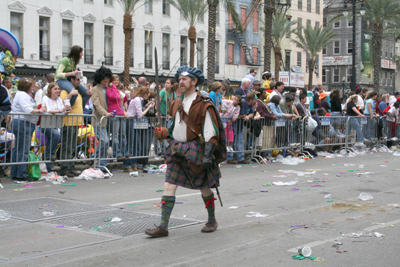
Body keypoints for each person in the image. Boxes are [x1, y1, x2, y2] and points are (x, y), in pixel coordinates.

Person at [145, 66, 227, 237]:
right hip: (177, 150)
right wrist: (165, 133)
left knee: (204, 188)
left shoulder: (204, 104)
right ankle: (163, 227)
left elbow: (210, 132)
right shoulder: (176, 103)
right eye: (179, 79)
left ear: (194, 82)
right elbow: (176, 128)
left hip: (196, 150)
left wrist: (207, 156)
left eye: (184, 79)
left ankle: (212, 220)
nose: (180, 82)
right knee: (168, 185)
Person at [11, 78, 47, 181]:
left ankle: (15, 172)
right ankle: (22, 174)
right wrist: (40, 110)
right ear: (27, 87)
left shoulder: (21, 95)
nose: (33, 88)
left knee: (18, 149)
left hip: (23, 123)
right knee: (23, 149)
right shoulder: (22, 95)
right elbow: (27, 109)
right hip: (23, 123)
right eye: (32, 86)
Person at [59, 74, 86, 177]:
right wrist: (70, 94)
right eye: (78, 79)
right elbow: (62, 102)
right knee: (67, 147)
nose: (79, 81)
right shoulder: (65, 91)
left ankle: (71, 167)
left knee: (73, 146)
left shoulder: (77, 91)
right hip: (68, 121)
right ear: (72, 80)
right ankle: (64, 169)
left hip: (76, 122)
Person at [123, 86, 155, 172]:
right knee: (131, 144)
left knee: (137, 145)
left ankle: (133, 164)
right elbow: (140, 115)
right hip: (130, 121)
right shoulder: (137, 99)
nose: (148, 96)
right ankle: (127, 164)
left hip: (133, 121)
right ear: (145, 94)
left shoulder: (139, 100)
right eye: (148, 94)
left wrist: (146, 106)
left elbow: (139, 111)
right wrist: (148, 108)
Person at [40, 82, 67, 172]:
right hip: (46, 124)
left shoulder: (59, 99)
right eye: (55, 89)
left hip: (55, 124)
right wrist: (60, 110)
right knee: (56, 135)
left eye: (58, 89)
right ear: (50, 90)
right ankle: (50, 154)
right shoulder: (45, 98)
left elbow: (63, 110)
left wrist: (66, 110)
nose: (57, 91)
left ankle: (48, 167)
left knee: (51, 141)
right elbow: (46, 110)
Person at [91, 66, 113, 172]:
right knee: (104, 141)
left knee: (106, 142)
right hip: (99, 119)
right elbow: (96, 104)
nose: (106, 79)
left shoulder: (109, 89)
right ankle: (93, 157)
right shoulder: (95, 89)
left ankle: (102, 163)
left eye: (107, 77)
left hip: (108, 119)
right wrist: (105, 113)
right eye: (104, 77)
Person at [55, 45, 89, 110]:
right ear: (76, 53)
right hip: (60, 80)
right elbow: (58, 74)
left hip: (69, 80)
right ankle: (67, 108)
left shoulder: (74, 62)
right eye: (81, 53)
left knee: (86, 93)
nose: (82, 54)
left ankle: (81, 109)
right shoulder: (65, 60)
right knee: (74, 93)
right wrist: (72, 73)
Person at [226, 93, 255, 164]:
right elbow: (239, 114)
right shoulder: (243, 103)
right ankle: (230, 157)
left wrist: (248, 116)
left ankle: (240, 158)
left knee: (240, 141)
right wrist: (244, 115)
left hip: (240, 125)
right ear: (251, 100)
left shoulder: (250, 104)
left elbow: (252, 113)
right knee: (231, 141)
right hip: (233, 125)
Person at [107, 75, 128, 162]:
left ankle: (123, 152)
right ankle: (117, 153)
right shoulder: (109, 90)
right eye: (114, 80)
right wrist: (113, 87)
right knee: (115, 135)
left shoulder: (119, 91)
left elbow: (124, 101)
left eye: (117, 80)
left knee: (123, 135)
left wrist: (124, 111)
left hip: (121, 114)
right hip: (114, 114)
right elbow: (114, 97)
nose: (116, 82)